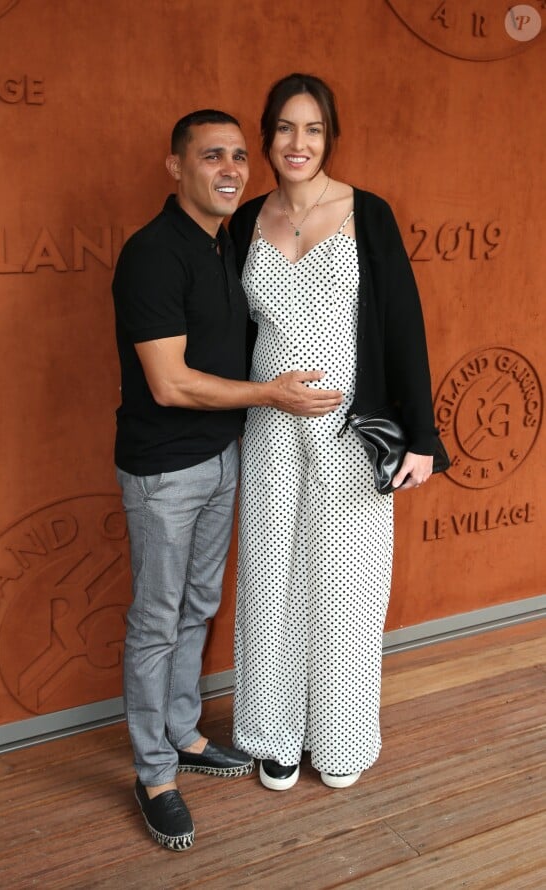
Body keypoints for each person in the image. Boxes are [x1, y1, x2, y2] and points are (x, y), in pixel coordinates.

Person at [112, 108, 342, 851]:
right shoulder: (153, 253)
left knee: (197, 606)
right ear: (175, 166)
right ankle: (153, 774)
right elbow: (171, 383)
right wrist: (273, 395)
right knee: (156, 620)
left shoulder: (223, 244)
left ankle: (181, 733)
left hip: (222, 456)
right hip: (164, 470)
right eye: (212, 155)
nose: (231, 169)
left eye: (240, 156)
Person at [229, 74, 439, 793]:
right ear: (267, 137)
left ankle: (340, 733)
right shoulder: (246, 219)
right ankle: (272, 732)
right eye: (285, 128)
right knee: (270, 579)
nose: (297, 143)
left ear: (330, 137)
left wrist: (423, 437)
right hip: (267, 428)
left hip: (352, 428)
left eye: (312, 129)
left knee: (348, 583)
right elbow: (232, 332)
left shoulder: (367, 214)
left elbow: (405, 327)